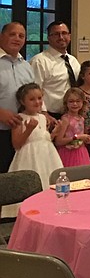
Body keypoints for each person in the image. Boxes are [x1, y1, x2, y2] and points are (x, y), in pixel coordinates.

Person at [1, 83, 62, 217]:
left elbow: (44, 138)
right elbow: (17, 144)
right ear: (23, 101)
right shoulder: (19, 119)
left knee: (49, 182)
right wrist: (28, 129)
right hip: (29, 157)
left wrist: (55, 132)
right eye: (32, 99)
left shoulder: (42, 117)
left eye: (40, 98)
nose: (37, 102)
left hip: (47, 157)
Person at [0, 22, 35, 172]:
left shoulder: (26, 66)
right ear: (2, 37)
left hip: (23, 131)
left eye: (21, 36)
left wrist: (43, 113)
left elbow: (34, 94)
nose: (17, 38)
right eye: (12, 34)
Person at [31, 21, 80, 119]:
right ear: (49, 38)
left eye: (64, 33)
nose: (61, 37)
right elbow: (34, 90)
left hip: (73, 115)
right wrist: (44, 113)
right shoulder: (40, 61)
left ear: (69, 36)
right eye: (56, 34)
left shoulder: (73, 61)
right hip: (50, 116)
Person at [52, 87, 90, 167]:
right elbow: (58, 141)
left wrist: (87, 139)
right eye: (71, 101)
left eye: (78, 101)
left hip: (81, 152)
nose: (75, 104)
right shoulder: (66, 119)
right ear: (66, 103)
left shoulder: (81, 118)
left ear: (82, 103)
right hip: (68, 153)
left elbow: (81, 137)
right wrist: (77, 137)